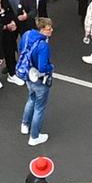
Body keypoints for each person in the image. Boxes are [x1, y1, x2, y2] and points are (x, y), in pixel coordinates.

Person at [18, 13, 56, 146]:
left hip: (28, 75)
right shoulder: (43, 46)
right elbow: (43, 67)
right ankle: (34, 136)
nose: (51, 30)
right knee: (39, 108)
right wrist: (51, 67)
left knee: (31, 99)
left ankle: (24, 124)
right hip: (40, 80)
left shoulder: (27, 35)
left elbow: (20, 49)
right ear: (41, 29)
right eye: (48, 28)